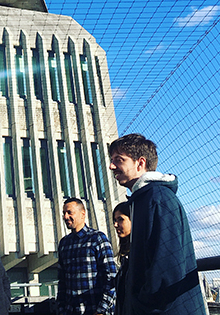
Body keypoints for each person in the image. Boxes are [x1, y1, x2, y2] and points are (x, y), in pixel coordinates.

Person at [109, 133, 206, 315]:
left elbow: (168, 269)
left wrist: (140, 305)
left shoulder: (158, 198)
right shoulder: (143, 199)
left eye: (118, 160)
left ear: (140, 163)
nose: (111, 166)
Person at [57, 198, 117, 315]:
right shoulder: (64, 243)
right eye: (64, 213)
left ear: (82, 214)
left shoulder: (98, 239)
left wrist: (101, 310)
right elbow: (62, 281)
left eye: (70, 212)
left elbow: (111, 277)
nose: (65, 217)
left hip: (94, 309)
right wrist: (61, 309)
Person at [112, 202, 131, 315]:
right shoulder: (126, 256)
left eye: (120, 219)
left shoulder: (141, 253)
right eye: (115, 220)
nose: (115, 224)